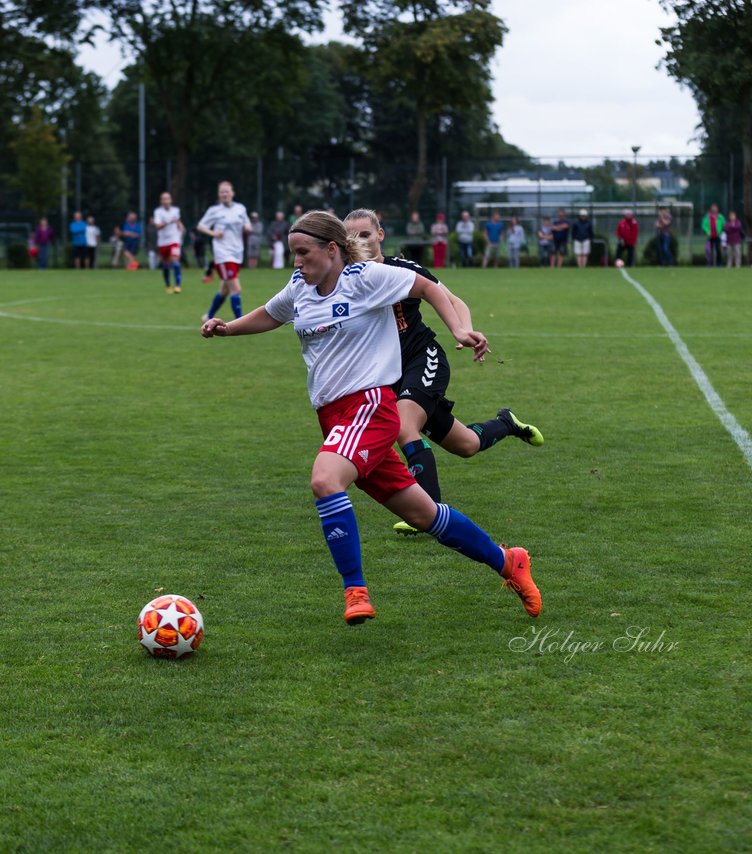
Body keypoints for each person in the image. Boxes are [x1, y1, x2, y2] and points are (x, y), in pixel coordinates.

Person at [199, 210, 541, 624]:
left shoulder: (365, 279)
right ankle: (509, 562)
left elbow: (430, 288)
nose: (296, 262)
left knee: (325, 479)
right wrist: (227, 329)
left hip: (370, 408)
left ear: (331, 249)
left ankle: (355, 590)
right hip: (333, 417)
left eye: (303, 253)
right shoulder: (299, 287)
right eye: (293, 254)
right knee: (423, 514)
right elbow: (272, 313)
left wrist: (458, 330)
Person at [343, 207, 543, 534]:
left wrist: (463, 331)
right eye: (351, 236)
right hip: (389, 374)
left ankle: (426, 514)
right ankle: (507, 423)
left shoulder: (402, 269)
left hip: (423, 359)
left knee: (403, 427)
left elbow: (454, 300)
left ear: (380, 235)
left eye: (365, 234)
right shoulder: (345, 278)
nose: (358, 241)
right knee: (466, 445)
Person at [199, 180, 251, 321]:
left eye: (227, 191)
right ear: (219, 194)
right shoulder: (214, 210)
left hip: (237, 253)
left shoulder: (240, 208)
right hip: (223, 254)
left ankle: (209, 316)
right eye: (221, 191)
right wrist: (213, 234)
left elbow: (247, 223)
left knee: (224, 289)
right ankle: (240, 321)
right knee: (236, 289)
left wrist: (247, 227)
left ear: (232, 193)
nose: (224, 194)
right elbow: (201, 226)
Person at [152, 192, 183, 292]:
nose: (166, 201)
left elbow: (178, 222)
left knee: (175, 262)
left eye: (167, 199)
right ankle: (168, 285)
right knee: (165, 265)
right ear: (161, 201)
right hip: (163, 242)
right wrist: (168, 221)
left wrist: (180, 227)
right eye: (163, 199)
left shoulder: (176, 210)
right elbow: (157, 226)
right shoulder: (158, 212)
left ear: (171, 200)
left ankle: (178, 286)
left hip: (174, 240)